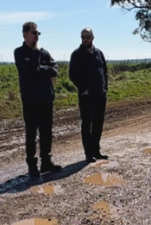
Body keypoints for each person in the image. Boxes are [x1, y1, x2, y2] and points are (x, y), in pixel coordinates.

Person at [13, 21, 61, 178]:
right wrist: (37, 57)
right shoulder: (19, 53)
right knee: (31, 134)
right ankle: (32, 166)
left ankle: (46, 162)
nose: (37, 36)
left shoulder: (44, 52)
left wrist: (41, 68)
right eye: (34, 33)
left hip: (46, 99)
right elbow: (31, 70)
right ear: (25, 34)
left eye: (38, 33)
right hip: (30, 100)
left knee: (46, 132)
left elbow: (54, 70)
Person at [68, 28, 109, 161]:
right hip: (86, 96)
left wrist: (105, 88)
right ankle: (88, 153)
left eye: (87, 37)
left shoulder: (99, 53)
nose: (85, 39)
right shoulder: (77, 54)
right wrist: (83, 89)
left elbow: (104, 71)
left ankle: (96, 151)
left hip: (100, 94)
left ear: (93, 37)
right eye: (83, 37)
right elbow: (72, 75)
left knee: (98, 123)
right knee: (87, 124)